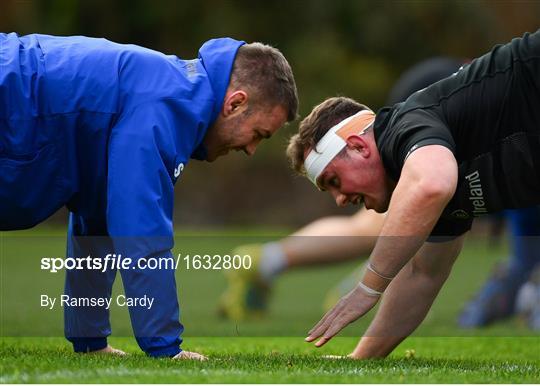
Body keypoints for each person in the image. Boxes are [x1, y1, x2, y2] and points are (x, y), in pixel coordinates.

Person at [0, 33, 298, 359]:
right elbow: (140, 228)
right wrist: (165, 348)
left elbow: (96, 218)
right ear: (235, 103)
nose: (252, 150)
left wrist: (91, 341)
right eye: (258, 134)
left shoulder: (171, 92)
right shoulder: (167, 103)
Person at [286, 30, 540, 358]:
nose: (340, 199)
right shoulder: (421, 172)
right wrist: (360, 359)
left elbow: (432, 184)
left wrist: (369, 285)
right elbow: (423, 275)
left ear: (358, 146)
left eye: (333, 181)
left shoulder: (401, 128)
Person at [218, 57, 464, 321]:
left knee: (392, 221)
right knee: (385, 223)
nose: (340, 200)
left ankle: (271, 260)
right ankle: (272, 261)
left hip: (424, 93)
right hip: (425, 99)